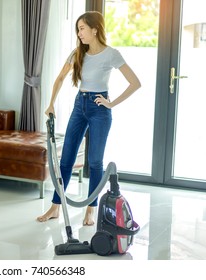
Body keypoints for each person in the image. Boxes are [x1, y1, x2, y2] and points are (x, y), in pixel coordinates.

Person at [37, 11, 141, 225]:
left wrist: (111, 103)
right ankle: (55, 207)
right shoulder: (78, 53)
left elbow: (135, 82)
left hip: (99, 110)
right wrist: (50, 104)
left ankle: (90, 210)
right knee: (65, 160)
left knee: (94, 162)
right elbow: (59, 78)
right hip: (79, 105)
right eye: (78, 29)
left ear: (95, 29)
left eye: (82, 28)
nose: (79, 33)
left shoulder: (111, 54)